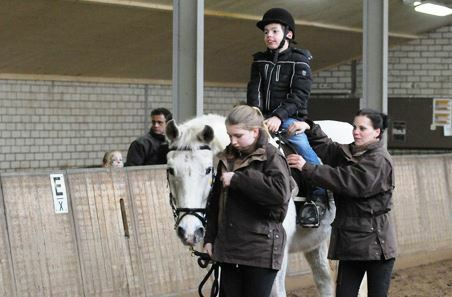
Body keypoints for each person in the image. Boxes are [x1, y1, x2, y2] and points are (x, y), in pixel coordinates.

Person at [286, 108, 397, 297]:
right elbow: (328, 148)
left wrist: (308, 168)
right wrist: (309, 127)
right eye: (355, 127)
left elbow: (347, 181)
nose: (356, 131)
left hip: (375, 244)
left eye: (363, 128)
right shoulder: (351, 152)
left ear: (377, 132)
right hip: (350, 243)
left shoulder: (378, 161)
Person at [246, 7, 325, 227]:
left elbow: (299, 96)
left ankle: (318, 196)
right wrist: (255, 115)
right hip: (262, 118)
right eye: (266, 32)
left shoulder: (299, 61)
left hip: (290, 118)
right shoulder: (259, 61)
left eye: (274, 31)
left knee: (303, 147)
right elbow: (254, 91)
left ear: (288, 34)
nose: (269, 36)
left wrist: (279, 117)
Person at [203, 105, 292, 297]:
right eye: (229, 136)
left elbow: (279, 194)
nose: (232, 141)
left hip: (260, 251)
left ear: (254, 131)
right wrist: (210, 238)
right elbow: (216, 203)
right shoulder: (227, 158)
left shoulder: (272, 157)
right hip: (229, 249)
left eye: (238, 136)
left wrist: (238, 179)